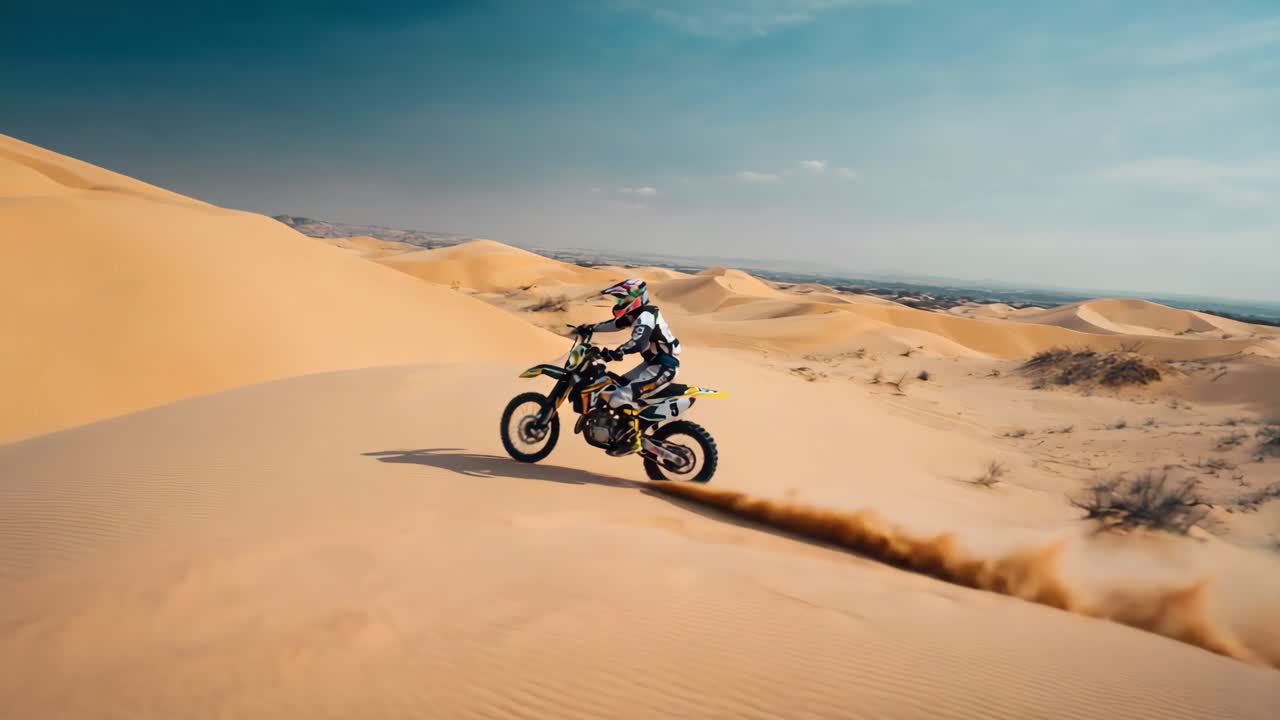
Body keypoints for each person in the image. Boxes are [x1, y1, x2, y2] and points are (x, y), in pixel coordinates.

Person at [575, 278, 681, 456]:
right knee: (615, 385)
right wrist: (590, 328)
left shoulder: (646, 315)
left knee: (620, 395)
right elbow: (614, 324)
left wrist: (617, 352)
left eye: (622, 299)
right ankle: (619, 428)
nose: (619, 303)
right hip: (652, 364)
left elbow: (639, 342)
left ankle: (633, 441)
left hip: (663, 367)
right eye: (619, 300)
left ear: (636, 299)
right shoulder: (638, 313)